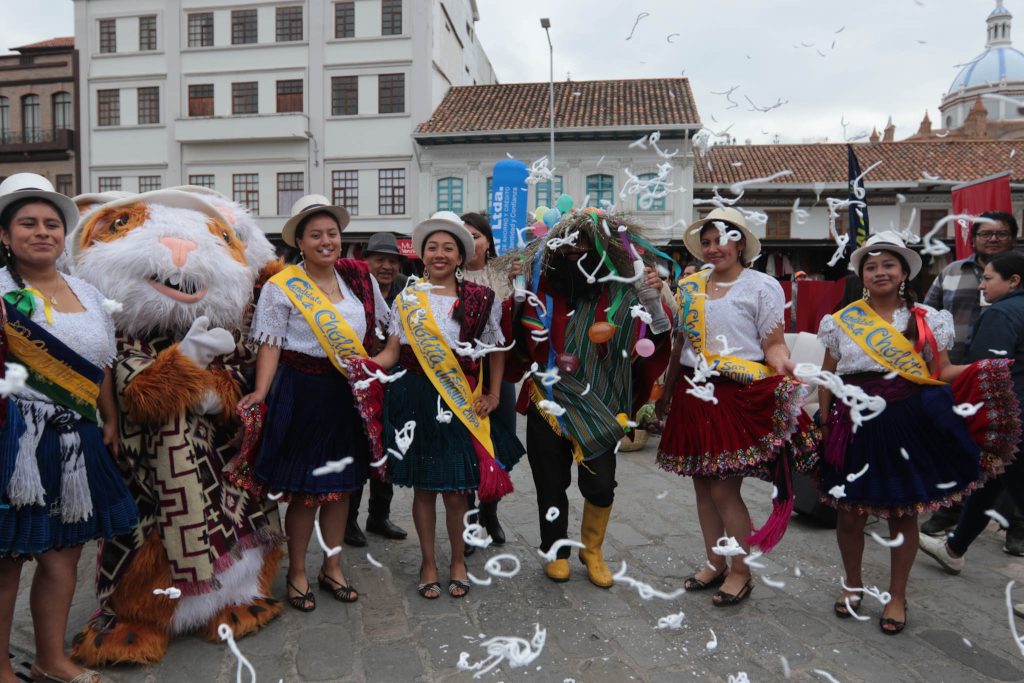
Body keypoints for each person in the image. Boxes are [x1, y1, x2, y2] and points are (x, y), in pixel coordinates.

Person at [816, 232, 1018, 635]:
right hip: (853, 423)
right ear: (862, 275)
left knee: (902, 513)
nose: (880, 272)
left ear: (904, 271)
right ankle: (852, 584)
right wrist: (824, 422)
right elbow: (827, 376)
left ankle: (897, 595)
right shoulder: (841, 321)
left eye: (888, 265)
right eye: (871, 266)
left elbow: (942, 371)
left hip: (908, 423)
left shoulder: (927, 319)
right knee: (850, 514)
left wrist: (987, 368)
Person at [0, 173, 138, 683]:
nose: (42, 232)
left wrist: (110, 418)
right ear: (5, 234)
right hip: (14, 438)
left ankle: (49, 660)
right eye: (28, 223)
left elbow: (100, 363)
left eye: (51, 224)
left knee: (63, 556)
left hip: (77, 437)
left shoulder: (86, 291)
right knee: (7, 559)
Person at [656, 207, 818, 607]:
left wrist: (784, 363)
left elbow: (773, 344)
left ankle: (741, 571)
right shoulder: (690, 287)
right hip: (693, 390)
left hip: (734, 392)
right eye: (707, 242)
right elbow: (681, 343)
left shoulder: (761, 286)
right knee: (702, 485)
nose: (714, 248)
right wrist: (668, 389)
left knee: (723, 488)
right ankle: (715, 561)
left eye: (722, 240)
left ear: (740, 242)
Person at [237, 195, 388, 611]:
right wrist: (262, 391)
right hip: (301, 392)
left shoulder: (358, 280)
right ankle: (299, 571)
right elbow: (270, 344)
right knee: (305, 492)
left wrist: (377, 366)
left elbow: (386, 326)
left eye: (332, 234)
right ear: (300, 242)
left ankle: (332, 567)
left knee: (341, 489)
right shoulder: (282, 286)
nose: (326, 241)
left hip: (347, 395)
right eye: (316, 235)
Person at [510, 208, 670, 587]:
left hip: (602, 402)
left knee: (601, 486)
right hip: (548, 398)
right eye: (567, 244)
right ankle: (556, 551)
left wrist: (656, 293)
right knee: (550, 483)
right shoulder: (540, 289)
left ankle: (592, 550)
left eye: (584, 242)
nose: (575, 250)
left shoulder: (624, 290)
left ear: (603, 248)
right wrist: (516, 294)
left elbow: (660, 330)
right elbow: (515, 337)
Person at [373, 211, 524, 600]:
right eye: (432, 248)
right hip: (414, 399)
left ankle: (458, 561)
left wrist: (493, 394)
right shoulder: (408, 298)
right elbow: (392, 352)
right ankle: (428, 563)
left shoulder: (480, 299)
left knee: (457, 491)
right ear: (422, 254)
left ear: (460, 256)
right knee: (423, 489)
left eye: (448, 248)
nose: (439, 254)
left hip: (459, 400)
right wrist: (364, 366)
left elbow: (495, 349)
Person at [920, 212, 1023, 553]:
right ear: (973, 238)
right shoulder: (951, 272)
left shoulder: (1002, 311)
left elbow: (992, 370)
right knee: (985, 470)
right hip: (968, 384)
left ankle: (1013, 528)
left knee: (1002, 467)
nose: (993, 239)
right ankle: (954, 543)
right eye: (985, 234)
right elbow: (928, 314)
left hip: (999, 400)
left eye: (1000, 233)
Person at [345, 232, 409, 547]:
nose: (387, 266)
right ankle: (348, 520)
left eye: (393, 261)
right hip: (357, 380)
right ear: (366, 260)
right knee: (359, 448)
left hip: (394, 380)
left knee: (388, 447)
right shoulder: (351, 289)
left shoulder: (406, 290)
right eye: (380, 259)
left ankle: (379, 515)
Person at [460, 212, 516, 545]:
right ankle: (468, 523)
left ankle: (490, 512)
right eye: (464, 236)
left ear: (488, 241)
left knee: (500, 444)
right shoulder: (447, 275)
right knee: (466, 449)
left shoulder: (503, 275)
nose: (471, 242)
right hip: (458, 373)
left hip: (497, 369)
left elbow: (506, 334)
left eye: (476, 236)